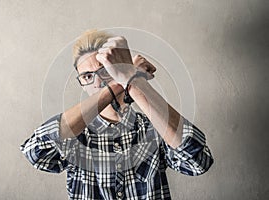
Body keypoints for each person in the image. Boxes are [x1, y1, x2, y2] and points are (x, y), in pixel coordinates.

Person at [20, 30, 214, 199]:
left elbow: (198, 162)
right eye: (87, 76)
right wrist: (121, 82)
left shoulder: (153, 129)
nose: (97, 82)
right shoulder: (75, 137)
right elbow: (36, 152)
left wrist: (133, 80)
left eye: (104, 70)